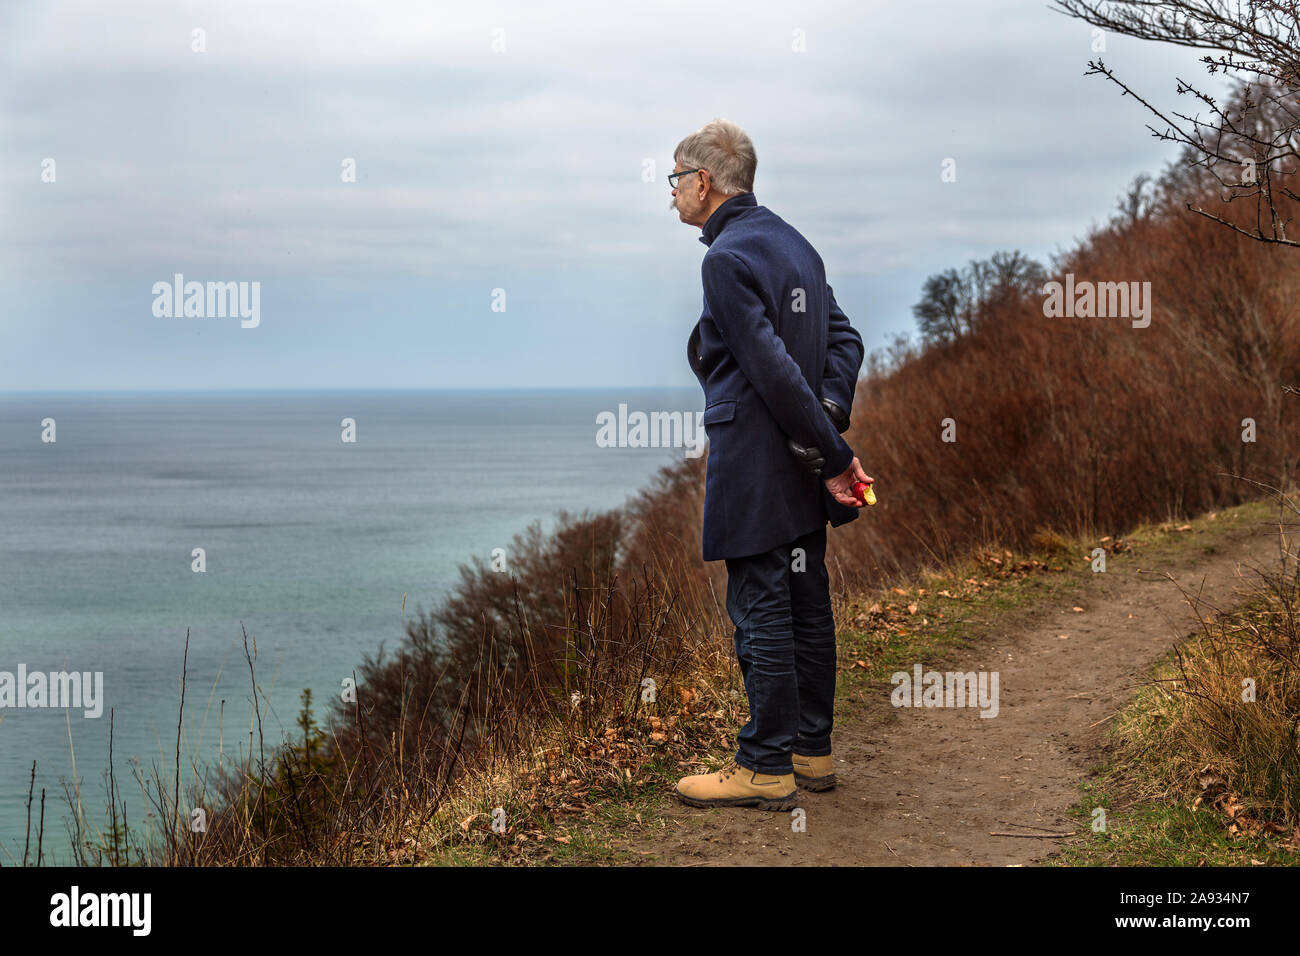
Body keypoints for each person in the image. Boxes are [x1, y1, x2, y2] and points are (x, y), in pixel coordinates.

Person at [670, 118, 872, 811]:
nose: (671, 194)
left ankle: (763, 766)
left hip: (757, 461)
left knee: (760, 605)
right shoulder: (795, 245)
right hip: (798, 456)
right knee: (805, 601)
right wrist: (828, 415)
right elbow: (844, 340)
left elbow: (770, 370)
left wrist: (834, 452)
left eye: (674, 179)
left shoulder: (724, 259)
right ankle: (810, 751)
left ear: (703, 182)